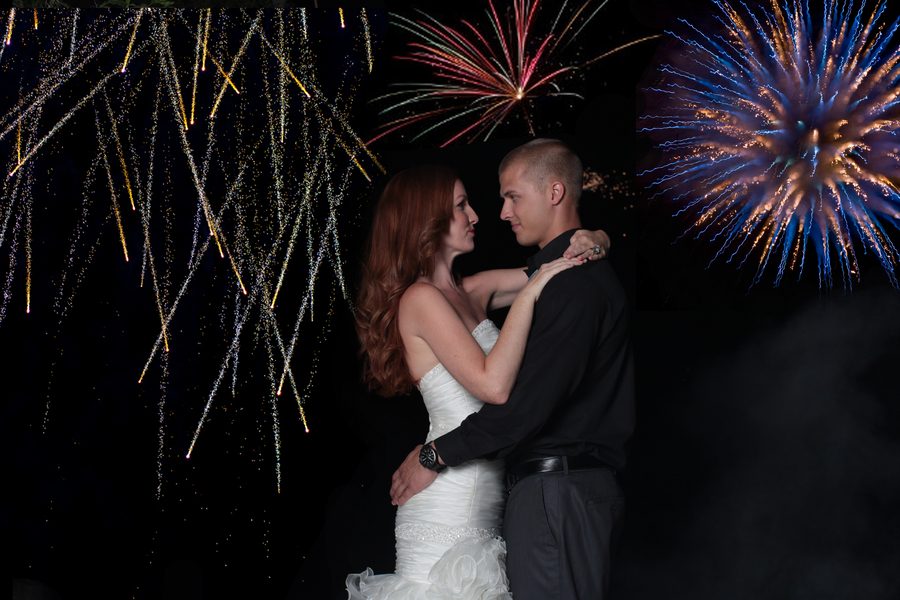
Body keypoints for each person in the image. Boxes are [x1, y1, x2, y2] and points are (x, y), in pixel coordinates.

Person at [346, 164, 609, 599]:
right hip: (445, 501)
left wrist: (600, 239)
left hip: (486, 499)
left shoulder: (474, 289)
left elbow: (565, 266)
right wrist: (531, 289)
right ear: (425, 220)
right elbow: (494, 388)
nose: (476, 216)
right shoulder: (420, 299)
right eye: (460, 206)